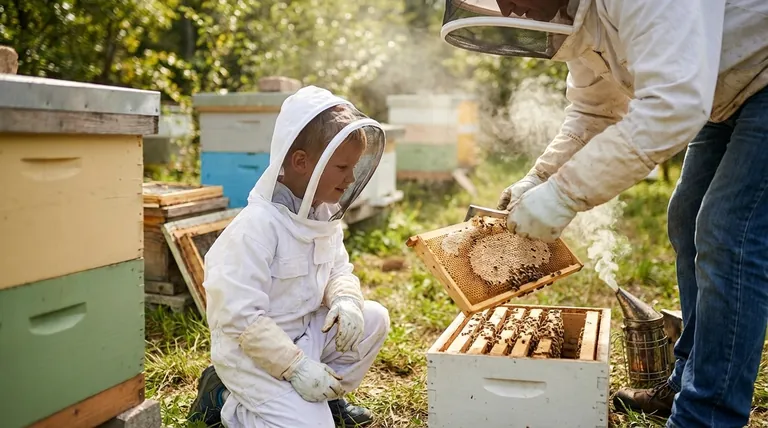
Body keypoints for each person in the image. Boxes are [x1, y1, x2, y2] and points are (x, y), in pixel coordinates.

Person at [440, 0, 768, 427]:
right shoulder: (577, 19)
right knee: (687, 218)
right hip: (720, 94)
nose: (509, 9)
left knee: (727, 233)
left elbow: (673, 104)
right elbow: (595, 112)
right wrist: (538, 180)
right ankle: (689, 379)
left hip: (759, 74)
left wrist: (563, 196)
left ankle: (706, 416)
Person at [186, 86, 391, 428]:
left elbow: (339, 270)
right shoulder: (256, 228)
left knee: (373, 319)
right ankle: (224, 399)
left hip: (305, 335)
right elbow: (239, 318)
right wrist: (295, 367)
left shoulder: (322, 216)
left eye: (354, 166)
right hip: (252, 355)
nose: (351, 177)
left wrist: (345, 299)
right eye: (342, 166)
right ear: (301, 162)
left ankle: (327, 396)